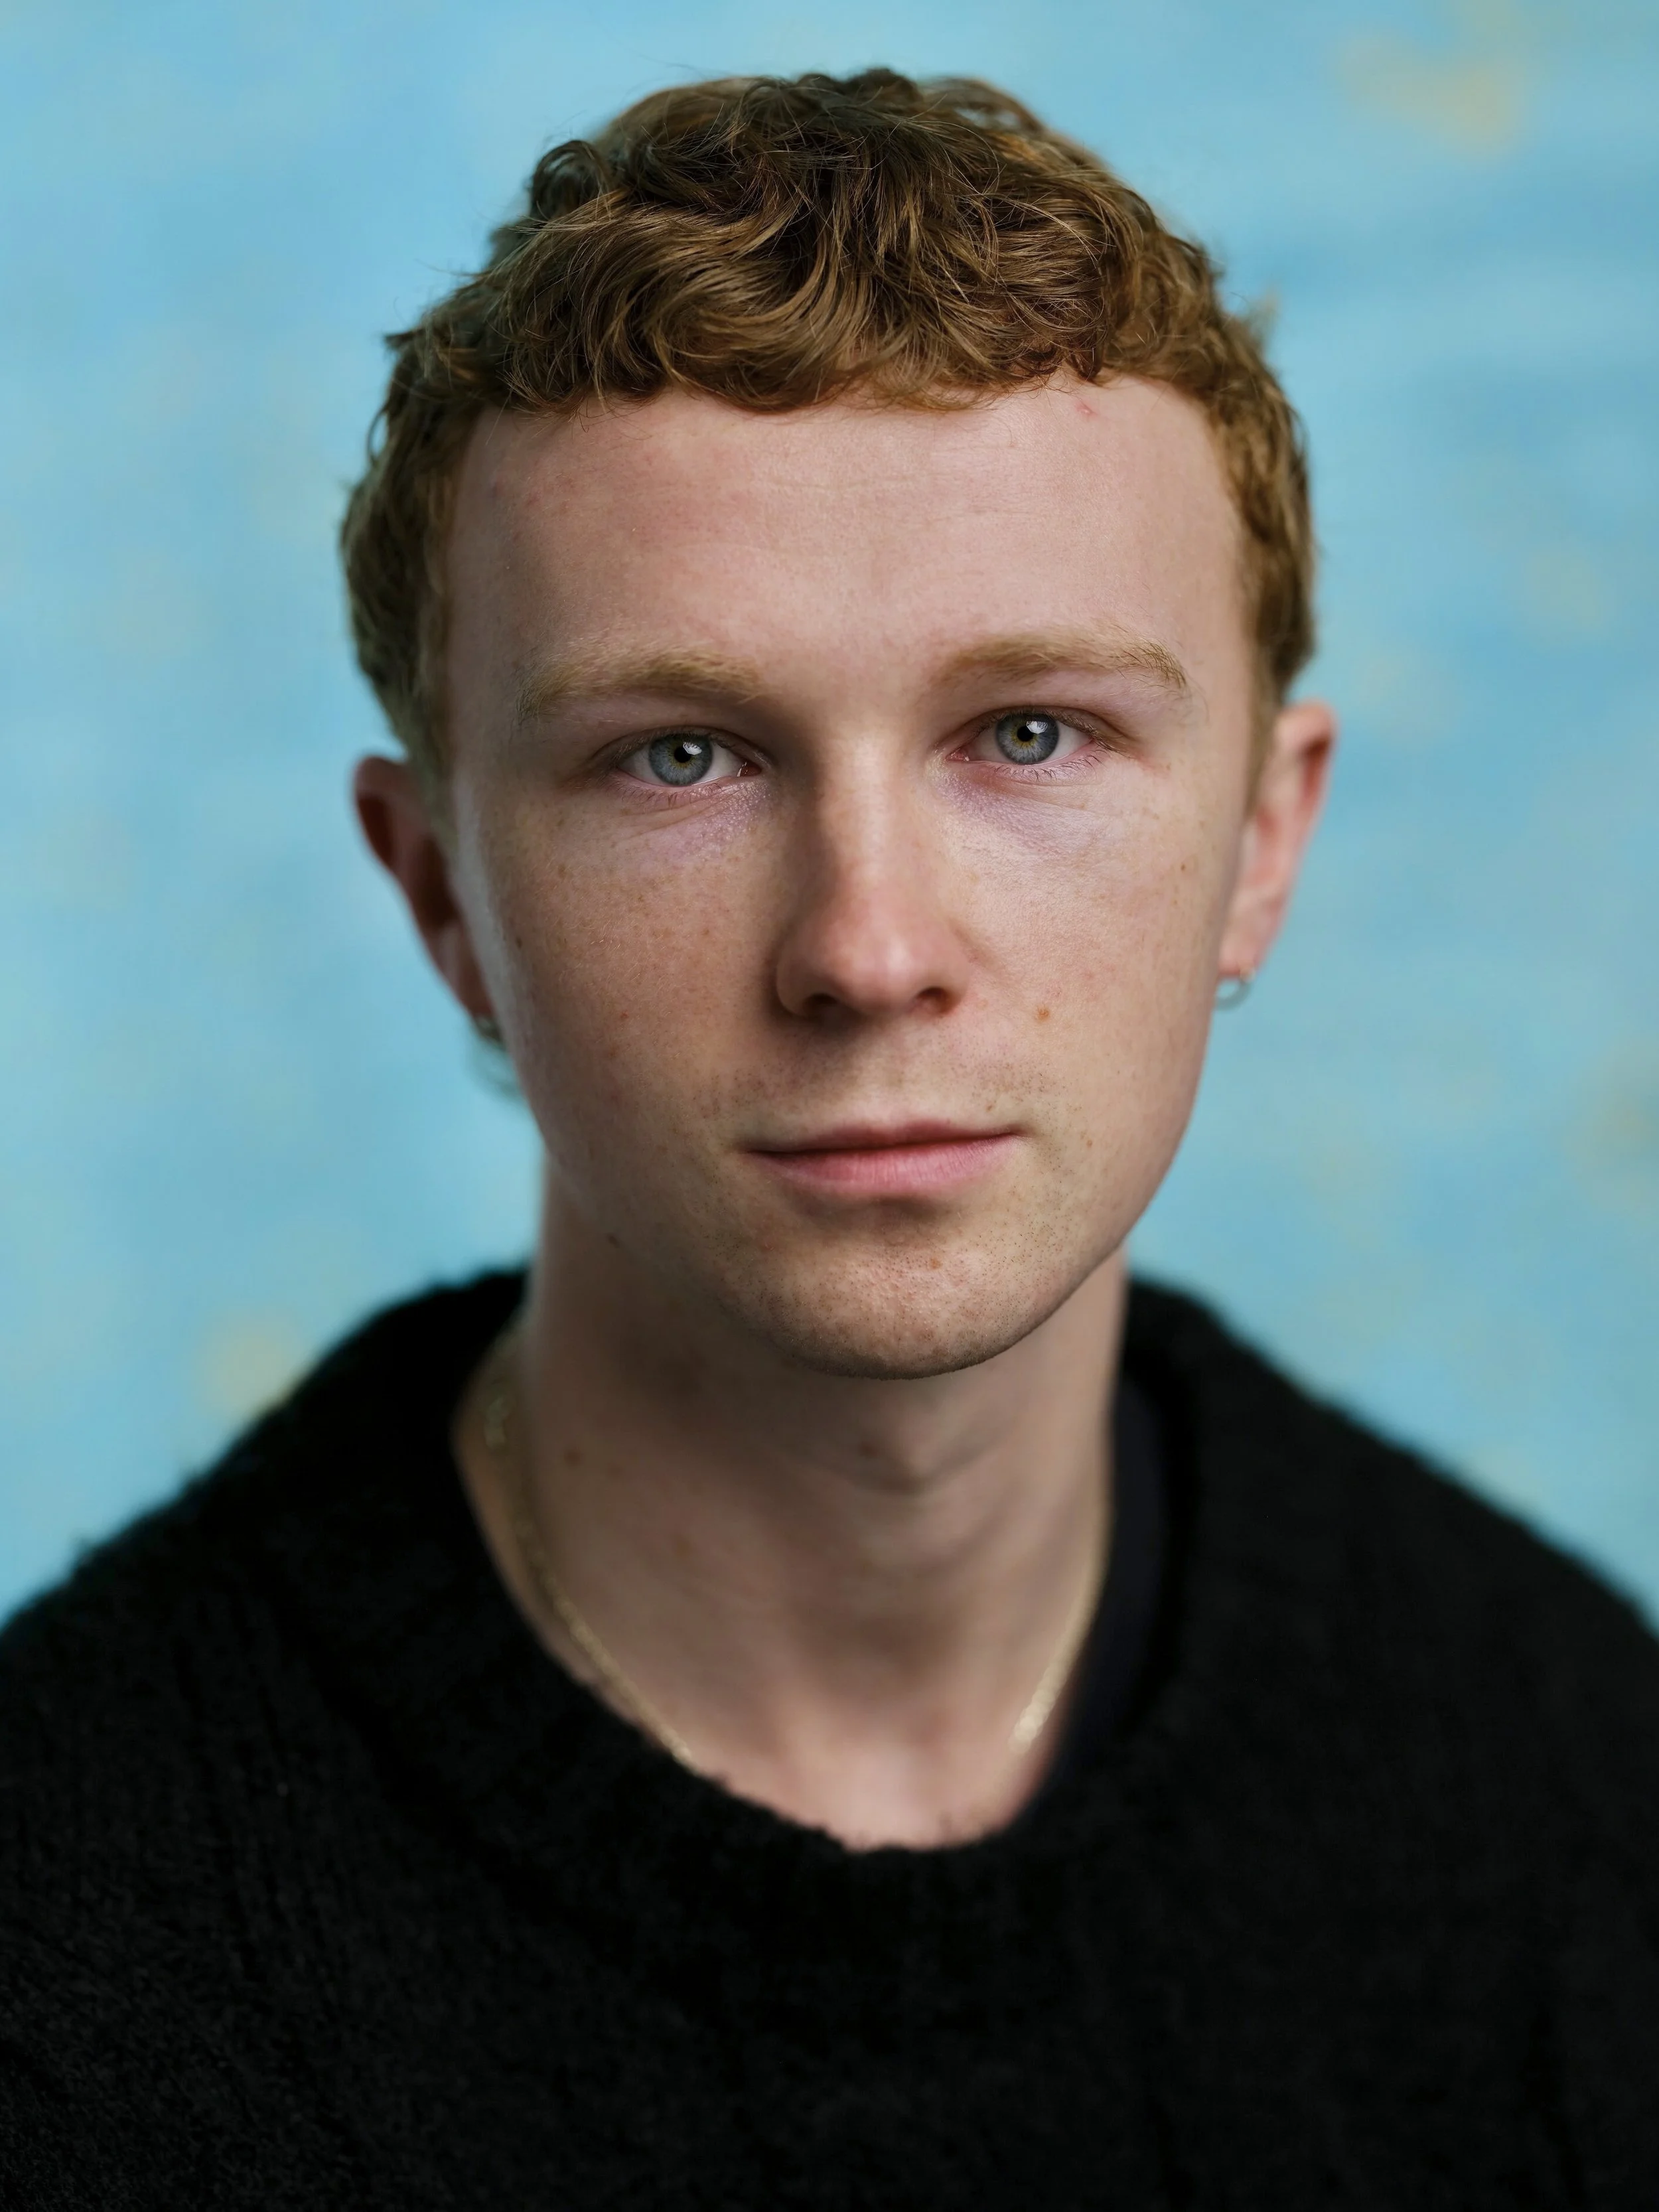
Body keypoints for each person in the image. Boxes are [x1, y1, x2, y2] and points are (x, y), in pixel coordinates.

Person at [3, 67, 1656, 2208]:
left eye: (1030, 734)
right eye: (678, 753)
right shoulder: (72, 1970)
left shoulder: (1573, 1797)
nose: (869, 948)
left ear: (1264, 837)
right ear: (439, 900)